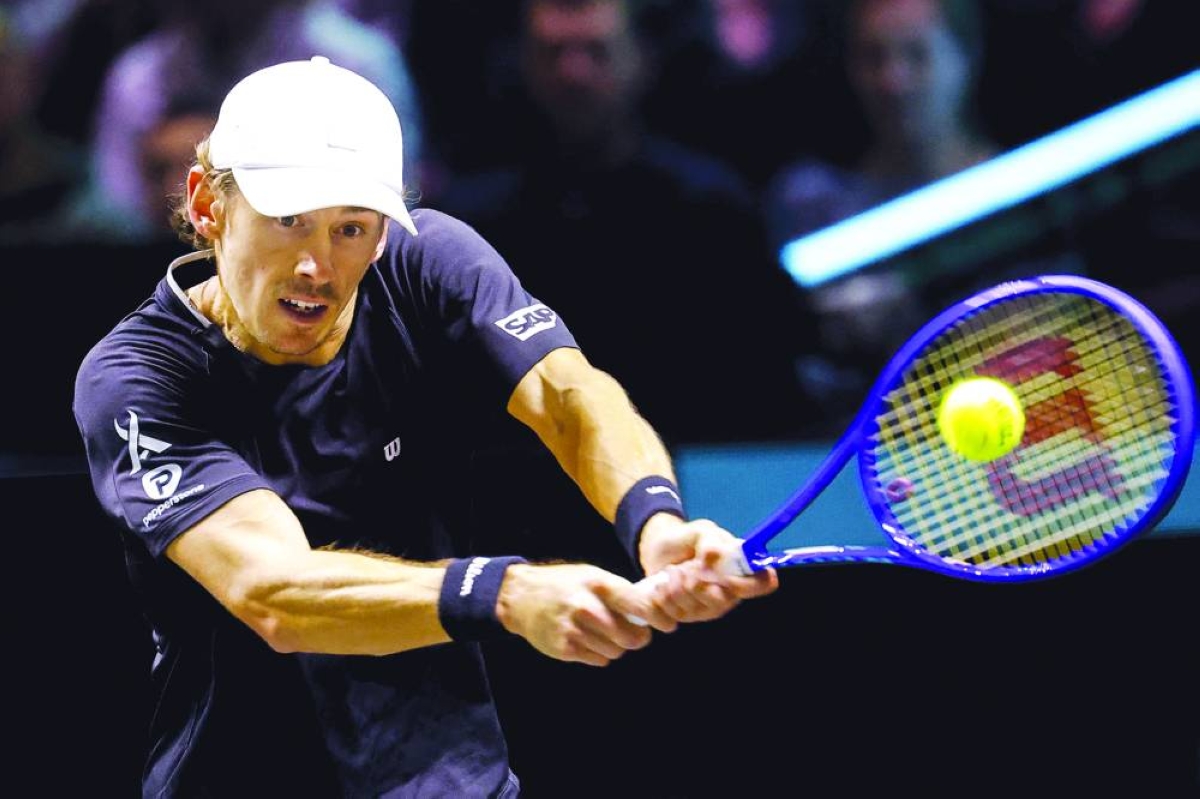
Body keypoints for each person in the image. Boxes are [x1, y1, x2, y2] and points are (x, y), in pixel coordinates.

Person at [72, 55, 776, 798]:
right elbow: (276, 592)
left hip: (448, 780)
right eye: (289, 221)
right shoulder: (137, 379)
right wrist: (506, 594)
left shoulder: (427, 263)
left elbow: (570, 396)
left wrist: (654, 520)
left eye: (351, 227)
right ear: (209, 206)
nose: (318, 264)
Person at [440, 0, 814, 448]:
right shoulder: (476, 226)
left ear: (641, 60)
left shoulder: (711, 214)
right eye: (553, 52)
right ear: (524, 64)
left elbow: (767, 393)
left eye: (596, 51)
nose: (573, 74)